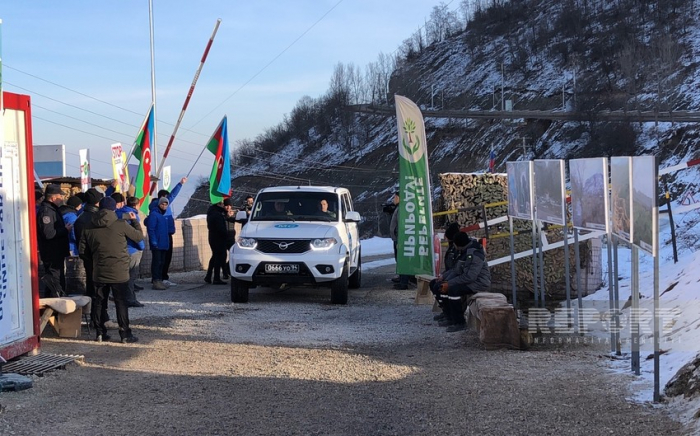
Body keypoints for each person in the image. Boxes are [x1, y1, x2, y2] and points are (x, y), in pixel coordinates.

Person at [79, 196, 143, 343]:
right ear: (114, 208)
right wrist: (134, 221)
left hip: (99, 271)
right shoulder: (120, 224)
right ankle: (125, 334)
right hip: (119, 271)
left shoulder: (88, 226)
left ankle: (100, 333)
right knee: (121, 302)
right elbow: (138, 236)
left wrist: (95, 261)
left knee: (99, 301)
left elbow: (82, 251)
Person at [430, 231, 491, 332]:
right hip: (469, 280)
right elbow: (456, 269)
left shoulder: (474, 254)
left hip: (479, 283)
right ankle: (448, 315)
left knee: (453, 290)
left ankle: (459, 322)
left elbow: (470, 277)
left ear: (458, 244)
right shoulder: (464, 251)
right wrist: (444, 278)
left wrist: (449, 283)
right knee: (436, 284)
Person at [149, 177, 187, 286]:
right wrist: (180, 183)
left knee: (163, 258)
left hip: (166, 234)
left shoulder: (161, 207)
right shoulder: (158, 207)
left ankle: (160, 278)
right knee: (160, 259)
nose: (166, 203)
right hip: (162, 235)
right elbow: (173, 195)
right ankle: (160, 278)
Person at [37, 184, 71, 297]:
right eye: (60, 196)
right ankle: (56, 308)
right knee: (55, 282)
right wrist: (65, 230)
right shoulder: (46, 212)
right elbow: (48, 233)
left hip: (56, 252)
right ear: (53, 197)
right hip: (52, 253)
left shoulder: (53, 210)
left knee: (53, 282)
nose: (62, 199)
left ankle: (52, 308)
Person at [117, 196, 146, 307]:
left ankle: (122, 297)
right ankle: (130, 299)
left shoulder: (118, 213)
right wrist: (141, 247)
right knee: (130, 275)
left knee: (123, 276)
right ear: (136, 205)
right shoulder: (133, 216)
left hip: (122, 248)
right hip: (133, 248)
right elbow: (136, 235)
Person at [74, 188, 104, 297]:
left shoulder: (80, 216)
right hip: (96, 254)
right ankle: (96, 303)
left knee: (90, 279)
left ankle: (92, 301)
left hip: (86, 254)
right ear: (97, 201)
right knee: (97, 281)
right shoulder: (97, 218)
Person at [430, 222, 461, 323]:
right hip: (451, 276)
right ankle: (445, 310)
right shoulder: (452, 247)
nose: (446, 239)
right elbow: (450, 268)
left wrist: (446, 278)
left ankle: (451, 315)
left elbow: (456, 269)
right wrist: (443, 276)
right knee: (434, 284)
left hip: (457, 278)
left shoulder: (457, 249)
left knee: (441, 287)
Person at [145, 197, 171, 290]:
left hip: (163, 243)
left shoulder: (162, 215)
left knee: (161, 262)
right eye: (162, 204)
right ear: (159, 204)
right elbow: (151, 229)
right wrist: (154, 241)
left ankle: (159, 280)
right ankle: (156, 280)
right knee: (157, 262)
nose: (164, 206)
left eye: (166, 204)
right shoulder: (154, 215)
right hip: (157, 243)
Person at [389, 192, 411, 290]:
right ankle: (402, 278)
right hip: (397, 238)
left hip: (400, 239)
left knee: (402, 259)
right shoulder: (398, 208)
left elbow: (400, 224)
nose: (394, 199)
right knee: (399, 260)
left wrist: (398, 237)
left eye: (395, 197)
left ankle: (403, 282)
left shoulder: (401, 209)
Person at [204, 200, 229, 285]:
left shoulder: (211, 212)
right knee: (219, 257)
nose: (223, 205)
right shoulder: (217, 214)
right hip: (218, 238)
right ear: (218, 204)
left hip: (212, 237)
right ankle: (216, 278)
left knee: (214, 256)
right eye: (222, 203)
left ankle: (208, 276)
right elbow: (220, 228)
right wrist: (226, 235)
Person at [222, 198, 237, 279]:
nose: (228, 207)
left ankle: (229, 270)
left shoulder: (233, 214)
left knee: (233, 255)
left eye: (229, 206)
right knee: (223, 256)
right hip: (223, 238)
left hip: (231, 238)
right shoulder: (221, 214)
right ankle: (224, 273)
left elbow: (240, 220)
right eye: (226, 206)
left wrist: (231, 216)